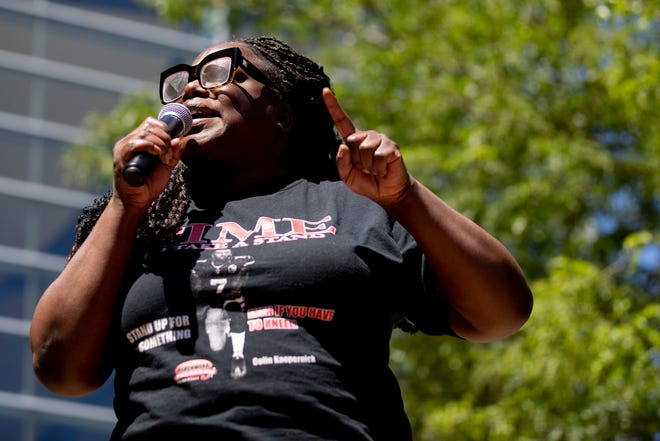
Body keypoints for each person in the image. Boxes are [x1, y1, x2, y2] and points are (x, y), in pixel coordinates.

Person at [29, 36, 533, 440]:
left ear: (281, 114)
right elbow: (60, 366)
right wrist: (125, 205)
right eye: (181, 84)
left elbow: (501, 312)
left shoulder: (357, 204)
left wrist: (406, 197)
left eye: (219, 74)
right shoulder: (142, 223)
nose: (191, 92)